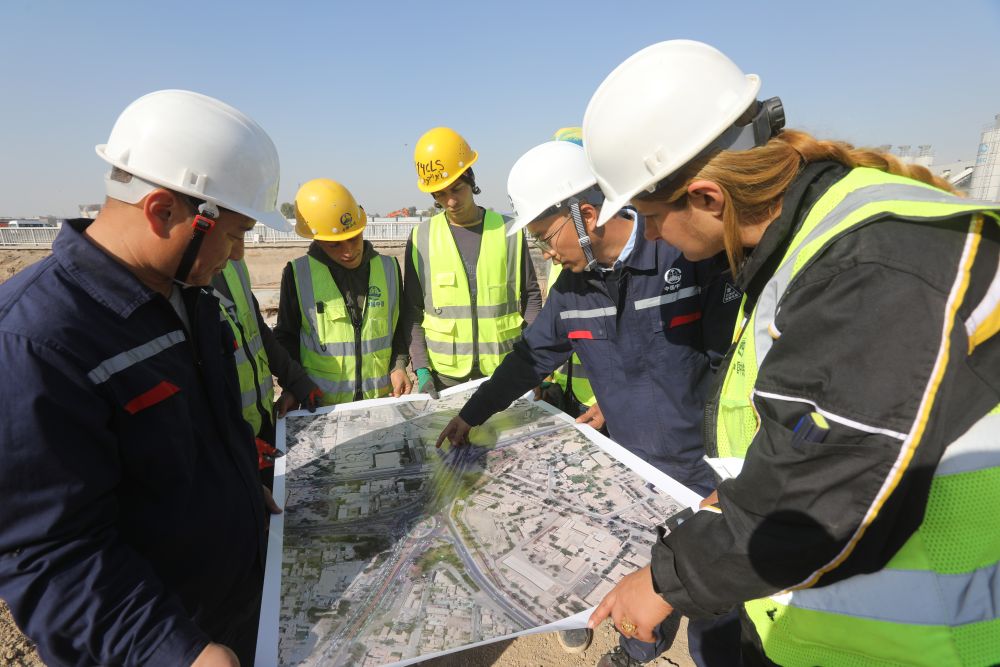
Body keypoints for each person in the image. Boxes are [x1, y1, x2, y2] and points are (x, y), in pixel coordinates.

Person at [582, 40, 1000, 667]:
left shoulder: (873, 272)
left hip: (920, 646)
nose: (653, 236)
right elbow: (807, 437)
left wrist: (667, 582)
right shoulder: (809, 242)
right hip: (827, 631)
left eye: (651, 216)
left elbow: (818, 502)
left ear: (707, 199)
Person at [0, 89, 286, 666]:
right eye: (235, 235)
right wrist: (172, 651)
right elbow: (49, 555)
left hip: (235, 600)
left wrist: (236, 489)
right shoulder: (36, 342)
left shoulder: (190, 298)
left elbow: (199, 431)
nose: (237, 256)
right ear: (163, 211)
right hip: (166, 638)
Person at [435, 139, 741, 663]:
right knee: (638, 584)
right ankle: (634, 653)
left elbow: (729, 362)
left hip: (705, 470)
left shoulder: (682, 254)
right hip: (634, 471)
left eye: (546, 238)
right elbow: (529, 359)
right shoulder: (570, 292)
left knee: (714, 600)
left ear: (587, 216)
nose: (547, 254)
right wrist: (472, 413)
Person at [403, 127, 542, 397]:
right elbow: (413, 310)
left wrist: (531, 360)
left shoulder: (509, 231)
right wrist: (421, 368)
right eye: (440, 194)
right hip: (445, 378)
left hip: (503, 370)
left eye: (457, 189)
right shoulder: (421, 238)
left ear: (471, 179)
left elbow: (532, 297)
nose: (451, 201)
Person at [274, 178, 411, 405]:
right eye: (335, 245)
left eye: (353, 238)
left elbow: (399, 328)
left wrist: (398, 365)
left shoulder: (389, 269)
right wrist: (293, 388)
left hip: (379, 402)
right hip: (322, 406)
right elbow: (286, 338)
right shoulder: (298, 275)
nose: (348, 251)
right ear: (318, 240)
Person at [212, 256, 321, 482]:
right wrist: (230, 441)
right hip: (229, 441)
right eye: (233, 237)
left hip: (264, 422)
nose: (239, 250)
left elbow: (258, 331)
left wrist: (297, 382)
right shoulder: (180, 283)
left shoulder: (234, 264)